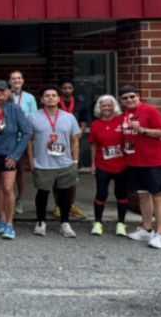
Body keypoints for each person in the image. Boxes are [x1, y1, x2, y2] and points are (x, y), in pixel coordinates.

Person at [28, 85, 82, 238]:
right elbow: (29, 140)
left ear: (59, 98)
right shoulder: (33, 117)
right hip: (42, 163)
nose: (50, 98)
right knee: (42, 193)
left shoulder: (69, 117)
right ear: (42, 99)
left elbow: (74, 140)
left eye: (53, 95)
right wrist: (31, 160)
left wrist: (75, 161)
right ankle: (40, 222)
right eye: (47, 95)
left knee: (64, 193)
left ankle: (65, 223)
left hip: (65, 163)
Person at [120, 86, 161, 248]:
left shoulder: (150, 110)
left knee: (157, 196)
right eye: (125, 98)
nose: (129, 100)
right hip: (135, 161)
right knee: (142, 196)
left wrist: (142, 130)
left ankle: (160, 234)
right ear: (121, 101)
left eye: (132, 96)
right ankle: (147, 229)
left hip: (152, 161)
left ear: (138, 96)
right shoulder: (126, 114)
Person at [0, 79, 31, 240]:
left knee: (8, 188)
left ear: (8, 92)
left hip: (9, 155)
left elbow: (25, 133)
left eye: (2, 91)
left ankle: (10, 224)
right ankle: (1, 219)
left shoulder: (15, 109)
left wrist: (16, 156)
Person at [88, 94, 129, 236]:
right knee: (101, 193)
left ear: (114, 106)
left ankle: (121, 223)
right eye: (103, 105)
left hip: (122, 164)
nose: (106, 108)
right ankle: (98, 222)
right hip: (102, 164)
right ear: (99, 107)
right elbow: (93, 145)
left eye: (109, 105)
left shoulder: (123, 120)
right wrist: (92, 164)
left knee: (121, 194)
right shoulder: (95, 124)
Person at [52, 78, 90, 220]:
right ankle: (57, 205)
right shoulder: (55, 104)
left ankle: (71, 205)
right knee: (57, 177)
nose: (67, 90)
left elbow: (82, 124)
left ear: (73, 89)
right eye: (64, 88)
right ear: (60, 90)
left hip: (73, 145)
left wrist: (76, 137)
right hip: (58, 144)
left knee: (72, 177)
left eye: (69, 88)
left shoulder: (80, 104)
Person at [9, 70, 38, 215]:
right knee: (8, 171)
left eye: (19, 78)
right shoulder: (5, 95)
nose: (16, 81)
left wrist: (31, 138)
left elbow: (33, 118)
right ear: (9, 81)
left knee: (20, 169)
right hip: (7, 138)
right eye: (13, 78)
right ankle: (8, 199)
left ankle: (19, 199)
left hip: (22, 139)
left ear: (23, 80)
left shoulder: (29, 97)